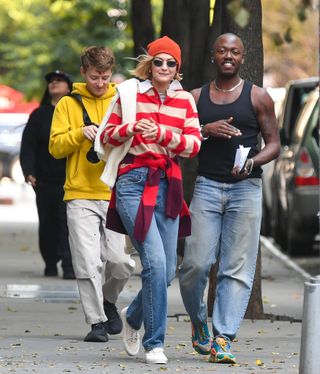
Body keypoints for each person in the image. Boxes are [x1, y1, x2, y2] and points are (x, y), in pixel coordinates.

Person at [96, 36, 201, 364]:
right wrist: (129, 129)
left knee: (167, 268)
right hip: (132, 183)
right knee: (154, 263)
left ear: (177, 69)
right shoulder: (128, 94)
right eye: (159, 62)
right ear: (150, 65)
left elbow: (194, 144)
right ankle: (154, 343)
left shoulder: (185, 101)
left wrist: (164, 136)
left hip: (168, 185)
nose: (165, 68)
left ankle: (133, 316)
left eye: (171, 63)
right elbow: (105, 137)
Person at [178, 33, 280, 364]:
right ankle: (198, 325)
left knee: (236, 268)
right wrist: (206, 129)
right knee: (195, 264)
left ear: (242, 58)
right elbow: (182, 138)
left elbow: (275, 144)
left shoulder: (259, 97)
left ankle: (223, 337)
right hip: (207, 187)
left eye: (234, 51)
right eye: (222, 50)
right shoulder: (195, 98)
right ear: (213, 56)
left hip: (246, 189)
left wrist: (253, 161)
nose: (228, 55)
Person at [49, 46, 135, 343]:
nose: (100, 83)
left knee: (121, 264)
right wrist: (78, 134)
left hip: (114, 191)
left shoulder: (121, 100)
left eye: (105, 77)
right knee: (87, 262)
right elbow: (55, 147)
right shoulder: (67, 104)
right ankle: (96, 321)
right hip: (79, 194)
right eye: (95, 77)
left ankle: (108, 301)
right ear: (84, 72)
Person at [20, 70, 75, 279]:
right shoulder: (39, 115)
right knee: (47, 223)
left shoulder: (75, 113)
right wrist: (28, 171)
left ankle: (69, 266)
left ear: (68, 87)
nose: (54, 83)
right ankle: (50, 263)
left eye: (59, 81)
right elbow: (28, 145)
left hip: (69, 179)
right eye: (51, 81)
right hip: (44, 181)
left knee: (68, 223)